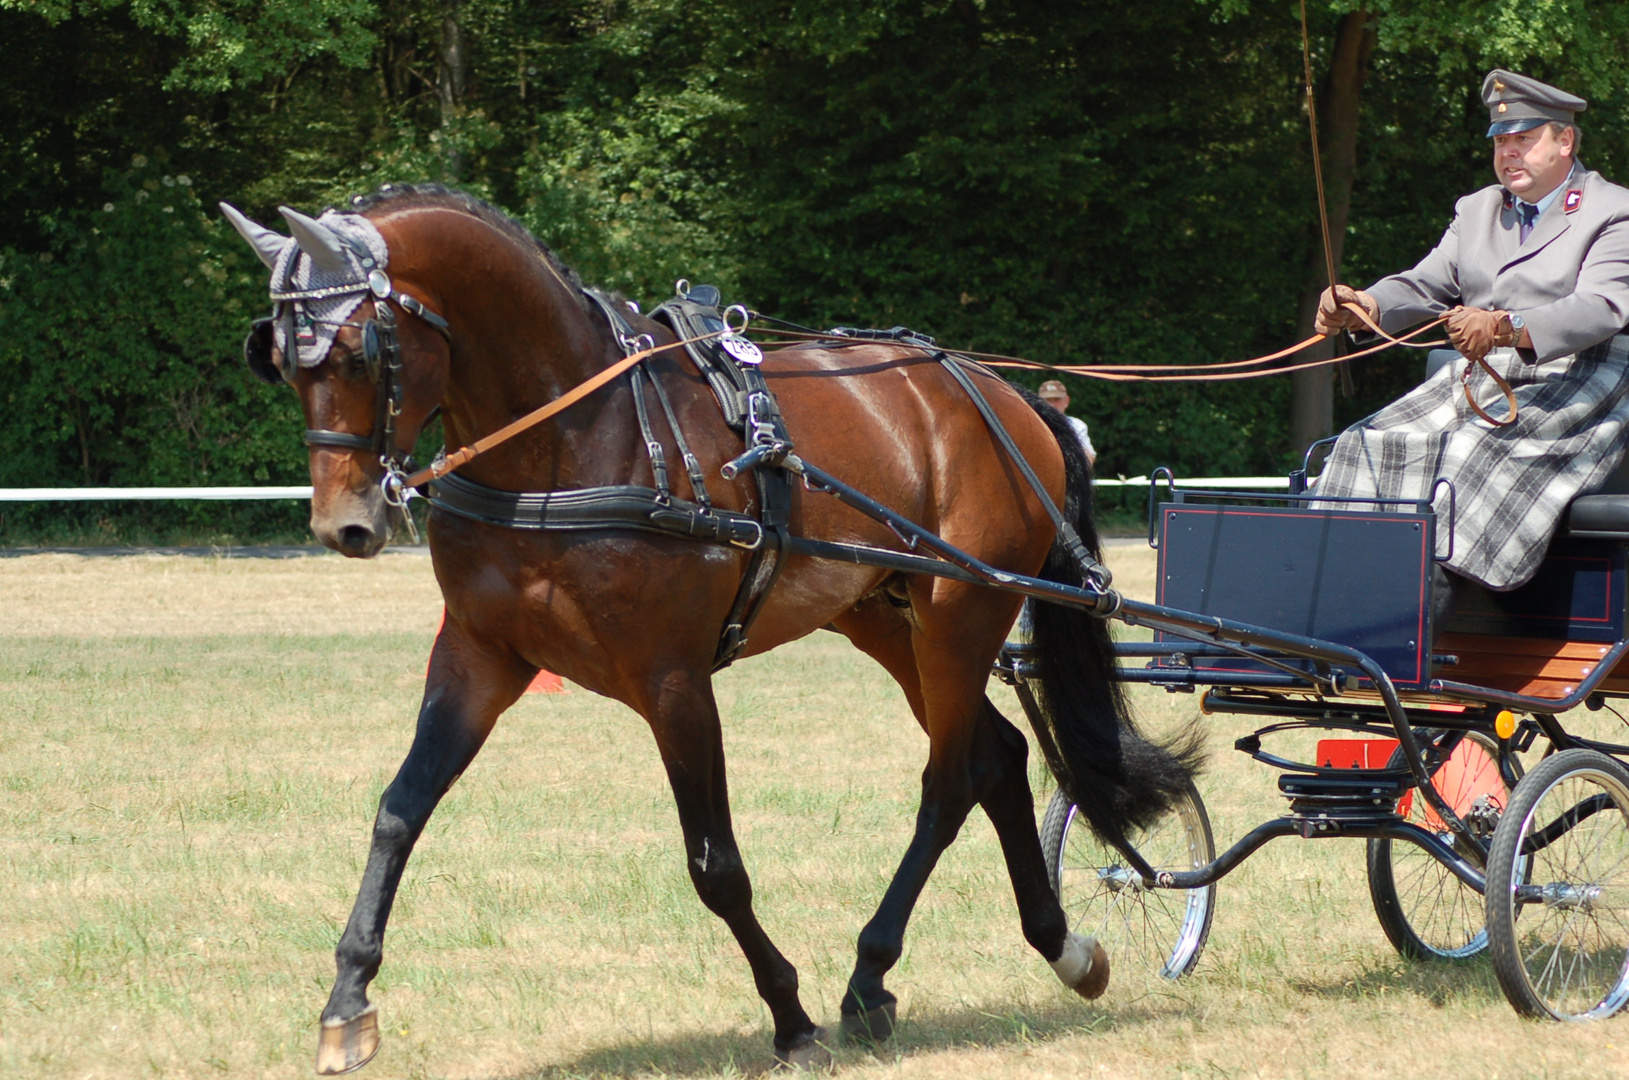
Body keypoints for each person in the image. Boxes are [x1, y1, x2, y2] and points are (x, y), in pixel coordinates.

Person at [1314, 69, 1629, 601]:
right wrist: (1367, 304)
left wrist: (1508, 327)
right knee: (1361, 445)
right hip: (1479, 375)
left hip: (1580, 376)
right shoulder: (1477, 208)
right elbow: (1426, 284)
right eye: (1501, 141)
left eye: (1525, 139)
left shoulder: (1613, 209)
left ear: (1565, 141)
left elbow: (1601, 307)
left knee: (1467, 452)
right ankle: (1324, 598)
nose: (1510, 153)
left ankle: (1418, 612)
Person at [1038, 379, 1097, 467]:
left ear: (1066, 401)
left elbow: (1088, 456)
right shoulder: (1031, 425)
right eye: (1048, 400)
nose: (1052, 405)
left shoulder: (1077, 425)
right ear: (1038, 402)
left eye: (1057, 399)